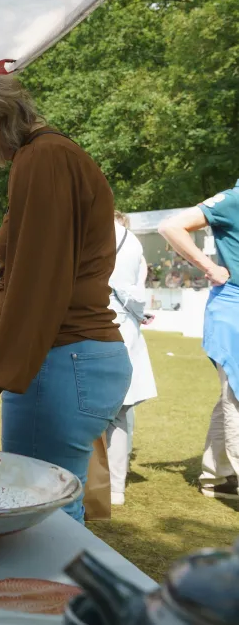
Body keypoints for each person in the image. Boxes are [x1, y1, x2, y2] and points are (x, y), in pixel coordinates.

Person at [0, 62, 131, 523]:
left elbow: (38, 286)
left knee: (37, 511)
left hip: (61, 359)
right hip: (69, 360)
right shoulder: (43, 157)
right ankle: (62, 596)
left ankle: (53, 597)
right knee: (53, 504)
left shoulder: (45, 157)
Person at [159, 181, 238, 500]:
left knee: (230, 396)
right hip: (232, 308)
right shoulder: (233, 199)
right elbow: (170, 226)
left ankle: (215, 476)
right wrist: (209, 267)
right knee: (236, 396)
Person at [106, 211, 157, 506]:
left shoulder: (85, 233)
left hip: (97, 326)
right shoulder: (133, 242)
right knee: (120, 411)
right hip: (125, 326)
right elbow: (137, 293)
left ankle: (98, 481)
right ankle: (115, 486)